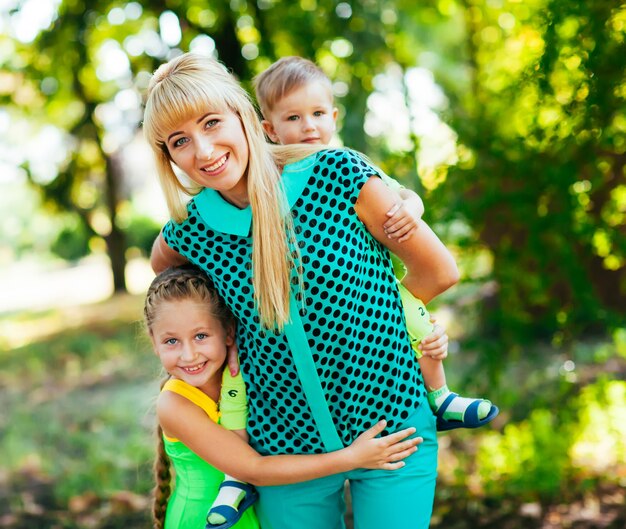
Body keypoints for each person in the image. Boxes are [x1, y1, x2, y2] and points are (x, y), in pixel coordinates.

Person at [143, 52, 454, 529]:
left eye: (212, 123)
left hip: (393, 421)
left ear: (243, 114)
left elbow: (437, 272)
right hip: (284, 445)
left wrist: (392, 328)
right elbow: (174, 295)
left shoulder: (338, 175)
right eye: (180, 141)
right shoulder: (191, 231)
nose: (203, 151)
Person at [253, 56, 498, 432]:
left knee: (419, 327)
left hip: (376, 288)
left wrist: (412, 208)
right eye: (293, 118)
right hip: (308, 310)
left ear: (334, 117)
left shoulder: (346, 164)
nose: (309, 127)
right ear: (270, 129)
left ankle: (441, 396)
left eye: (318, 113)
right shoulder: (269, 179)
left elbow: (403, 194)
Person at [146, 264, 422, 529]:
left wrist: (426, 337)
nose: (189, 354)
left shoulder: (249, 371)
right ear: (153, 342)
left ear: (229, 332)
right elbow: (252, 468)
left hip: (254, 517)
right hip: (203, 521)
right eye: (171, 341)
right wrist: (352, 457)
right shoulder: (175, 404)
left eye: (201, 336)